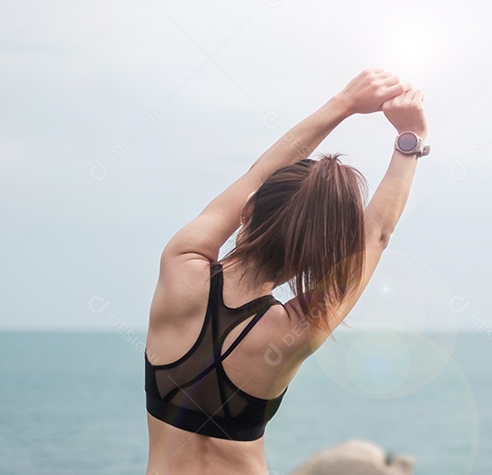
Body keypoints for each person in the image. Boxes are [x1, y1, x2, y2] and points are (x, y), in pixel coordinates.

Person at [144, 68, 428, 474]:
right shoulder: (297, 328)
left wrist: (344, 103)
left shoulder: (180, 266)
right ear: (316, 260)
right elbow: (375, 235)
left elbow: (256, 176)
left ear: (247, 211)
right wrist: (409, 141)